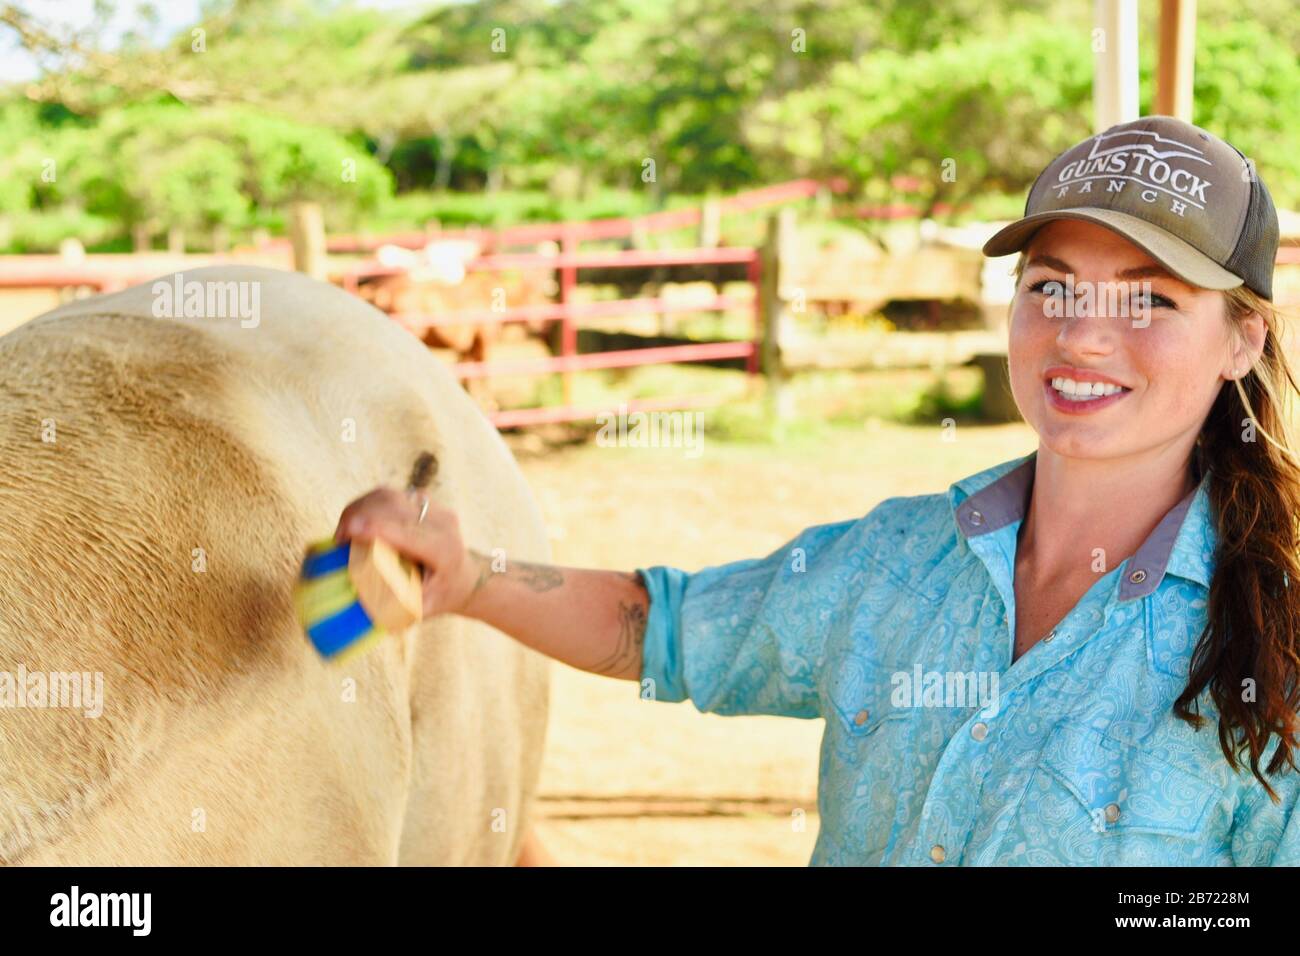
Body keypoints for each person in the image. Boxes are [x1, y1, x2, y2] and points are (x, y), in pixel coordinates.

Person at [335, 116, 1300, 866]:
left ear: (1243, 339)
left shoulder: (1277, 639)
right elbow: (662, 627)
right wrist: (467, 580)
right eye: (1050, 286)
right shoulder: (894, 563)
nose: (1083, 336)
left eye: (1150, 299)